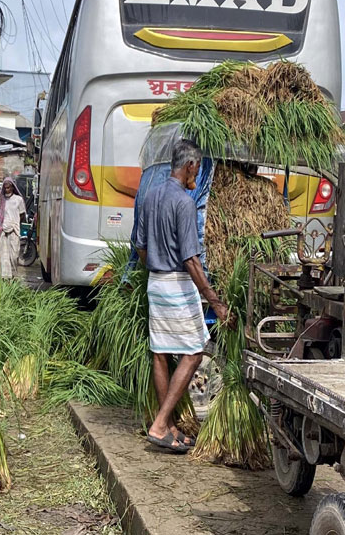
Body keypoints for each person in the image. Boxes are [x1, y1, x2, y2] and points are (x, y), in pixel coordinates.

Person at [134, 139, 230, 454]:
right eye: (197, 169)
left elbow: (139, 243)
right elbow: (191, 259)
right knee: (194, 352)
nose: (197, 175)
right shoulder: (185, 202)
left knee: (160, 353)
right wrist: (214, 300)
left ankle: (170, 428)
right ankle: (161, 424)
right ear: (189, 166)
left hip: (155, 283)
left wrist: (154, 262)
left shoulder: (150, 195)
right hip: (177, 285)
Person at [0, 177, 26, 280]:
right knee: (4, 256)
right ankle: (6, 279)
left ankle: (14, 276)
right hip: (3, 230)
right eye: (5, 188)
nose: (6, 190)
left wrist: (15, 223)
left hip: (14, 230)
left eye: (8, 187)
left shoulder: (18, 199)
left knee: (14, 255)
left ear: (12, 187)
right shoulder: (1, 200)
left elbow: (22, 215)